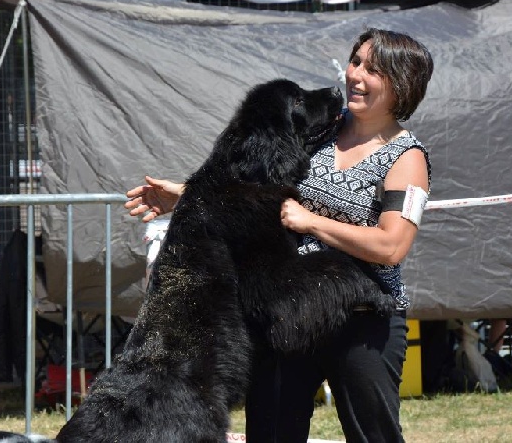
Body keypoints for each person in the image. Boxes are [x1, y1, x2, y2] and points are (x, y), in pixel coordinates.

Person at [124, 27, 434, 443]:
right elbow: (258, 188)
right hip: (286, 314)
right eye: (355, 61)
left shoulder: (407, 157)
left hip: (364, 320)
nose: (355, 75)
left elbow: (391, 246)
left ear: (402, 85)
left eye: (373, 70)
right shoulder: (319, 127)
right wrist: (184, 196)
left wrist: (312, 223)